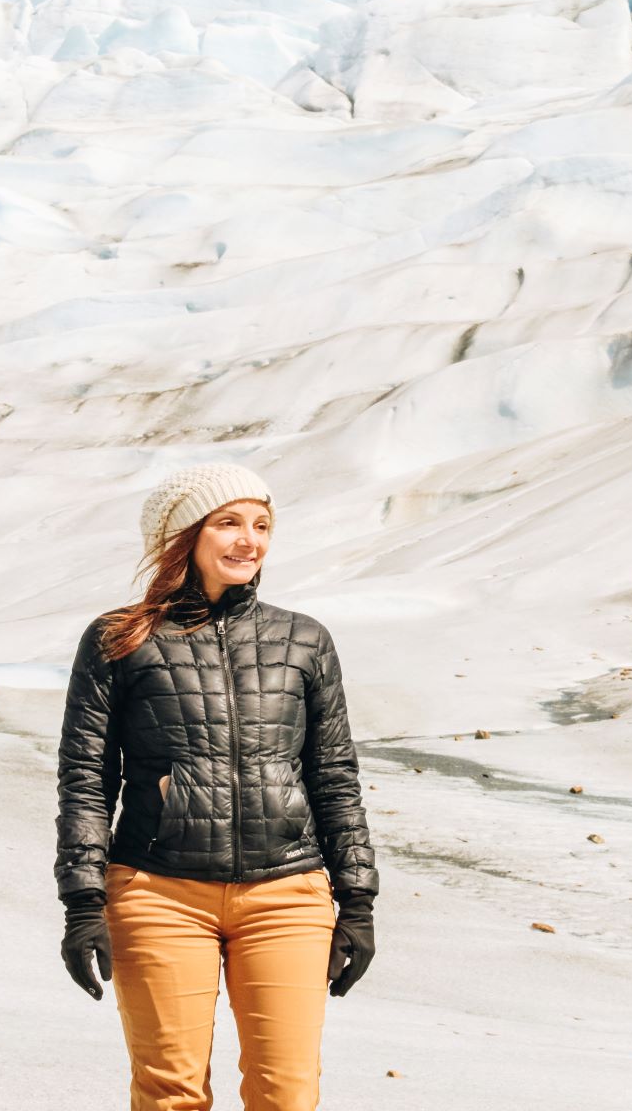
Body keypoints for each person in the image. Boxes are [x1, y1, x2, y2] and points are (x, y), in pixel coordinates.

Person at [54, 462, 379, 1111]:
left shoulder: (304, 640)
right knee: (170, 1094)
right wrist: (84, 903)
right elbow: (87, 778)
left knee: (286, 1096)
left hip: (288, 895)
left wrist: (359, 902)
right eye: (228, 522)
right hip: (159, 893)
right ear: (184, 536)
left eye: (261, 525)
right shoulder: (122, 640)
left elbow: (334, 777)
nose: (248, 540)